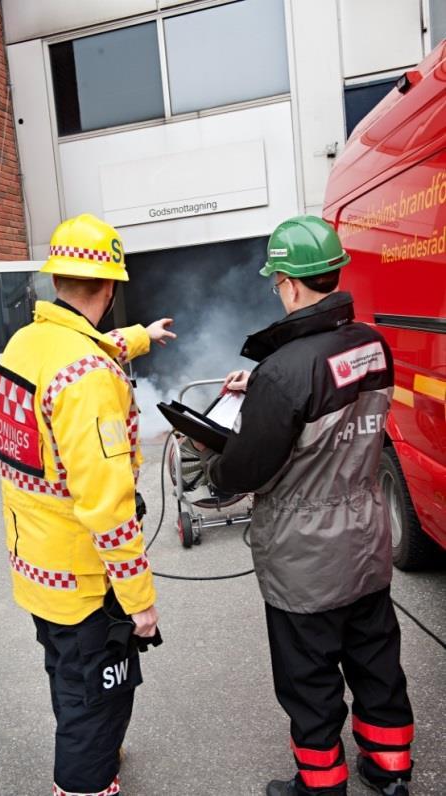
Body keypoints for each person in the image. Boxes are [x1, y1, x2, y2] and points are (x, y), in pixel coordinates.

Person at [198, 216, 414, 796]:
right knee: (376, 663)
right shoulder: (373, 344)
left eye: (276, 282)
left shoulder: (284, 370)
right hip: (367, 542)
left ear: (290, 283)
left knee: (309, 679)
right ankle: (391, 771)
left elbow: (247, 470)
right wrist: (265, 394)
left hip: (304, 560)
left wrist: (213, 454)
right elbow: (334, 405)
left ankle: (321, 785)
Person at [0, 213, 176, 796]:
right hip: (86, 582)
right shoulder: (88, 376)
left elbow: (80, 354)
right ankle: (86, 783)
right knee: (95, 704)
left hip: (37, 567)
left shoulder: (26, 343)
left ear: (58, 283)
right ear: (109, 287)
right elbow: (107, 505)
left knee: (68, 679)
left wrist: (141, 337)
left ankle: (94, 757)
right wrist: (140, 602)